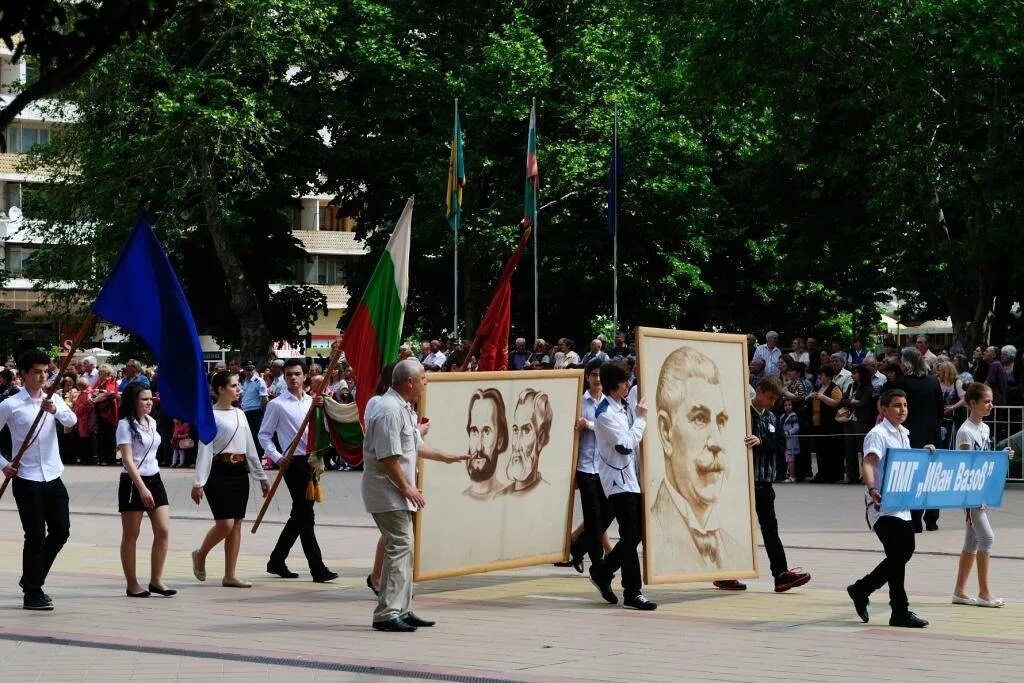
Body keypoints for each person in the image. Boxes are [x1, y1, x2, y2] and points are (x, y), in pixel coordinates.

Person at [361, 359, 469, 631]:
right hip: (388, 492)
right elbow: (387, 457)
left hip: (397, 491)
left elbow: (415, 445)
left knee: (404, 549)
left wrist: (448, 458)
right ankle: (386, 613)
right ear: (409, 382)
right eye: (423, 377)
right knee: (400, 546)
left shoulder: (404, 408)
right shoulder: (388, 410)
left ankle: (402, 608)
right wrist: (407, 488)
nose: (426, 382)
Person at [713, 377, 811, 592]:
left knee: (770, 528)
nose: (771, 402)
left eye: (775, 399)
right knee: (735, 529)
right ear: (758, 390)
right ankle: (725, 574)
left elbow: (780, 445)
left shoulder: (772, 418)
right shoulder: (740, 414)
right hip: (740, 482)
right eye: (769, 397)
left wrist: (762, 441)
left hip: (764, 482)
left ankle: (781, 574)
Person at [0, 349, 77, 610]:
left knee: (61, 530)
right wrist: (4, 465)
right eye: (36, 372)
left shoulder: (53, 398)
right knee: (34, 535)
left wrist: (54, 410)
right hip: (26, 477)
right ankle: (33, 592)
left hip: (53, 475)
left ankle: (31, 578)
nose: (42, 377)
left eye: (45, 372)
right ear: (22, 374)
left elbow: (72, 420)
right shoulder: (10, 405)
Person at [847, 389, 930, 628]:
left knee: (900, 554)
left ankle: (862, 589)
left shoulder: (903, 433)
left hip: (901, 504)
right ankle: (898, 610)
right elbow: (869, 462)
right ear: (882, 410)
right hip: (882, 506)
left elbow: (907, 464)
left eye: (904, 405)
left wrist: (927, 453)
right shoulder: (878, 434)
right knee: (901, 551)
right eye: (896, 405)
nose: (902, 409)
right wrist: (873, 489)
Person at [258, 359, 337, 583]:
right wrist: (277, 457)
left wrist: (323, 408)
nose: (293, 377)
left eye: (297, 374)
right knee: (305, 515)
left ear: (305, 377)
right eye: (289, 374)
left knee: (300, 515)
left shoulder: (313, 402)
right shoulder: (277, 404)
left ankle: (277, 560)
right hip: (293, 463)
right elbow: (264, 435)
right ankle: (317, 568)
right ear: (284, 377)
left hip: (312, 461)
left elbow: (325, 429)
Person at [191, 371, 270, 588]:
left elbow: (251, 448)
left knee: (236, 524)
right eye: (234, 385)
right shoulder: (210, 416)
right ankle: (201, 554)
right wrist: (199, 482)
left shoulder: (240, 414)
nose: (239, 389)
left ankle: (230, 575)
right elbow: (204, 450)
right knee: (225, 524)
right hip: (218, 472)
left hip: (239, 473)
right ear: (220, 390)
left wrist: (260, 476)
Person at [587, 362, 656, 610]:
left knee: (634, 534)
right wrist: (640, 420)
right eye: (624, 381)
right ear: (614, 385)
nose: (628, 385)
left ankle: (603, 571)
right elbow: (625, 444)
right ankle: (632, 591)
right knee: (630, 534)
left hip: (631, 478)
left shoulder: (623, 404)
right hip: (616, 480)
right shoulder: (604, 414)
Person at [951, 383, 1010, 608]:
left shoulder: (983, 429)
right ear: (972, 404)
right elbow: (967, 464)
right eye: (986, 401)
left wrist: (1000, 456)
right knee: (987, 538)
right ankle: (985, 592)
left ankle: (959, 591)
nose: (990, 405)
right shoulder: (965, 431)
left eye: (991, 400)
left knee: (972, 540)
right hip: (969, 491)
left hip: (980, 490)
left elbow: (984, 458)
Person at [116, 383, 175, 598]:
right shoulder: (125, 425)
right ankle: (132, 584)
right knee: (131, 534)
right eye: (144, 399)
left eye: (151, 398)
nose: (149, 402)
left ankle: (156, 580)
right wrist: (141, 488)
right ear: (133, 401)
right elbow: (127, 460)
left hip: (155, 478)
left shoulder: (151, 421)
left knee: (163, 529)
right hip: (133, 482)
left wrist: (150, 486)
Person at [562, 360, 614, 572]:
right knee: (593, 517)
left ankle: (578, 547)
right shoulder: (579, 402)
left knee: (608, 512)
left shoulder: (609, 404)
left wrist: (589, 425)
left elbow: (610, 432)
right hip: (585, 468)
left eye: (601, 375)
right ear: (587, 377)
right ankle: (598, 562)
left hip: (605, 468)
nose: (598, 379)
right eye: (593, 375)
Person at [895, 347, 944, 532]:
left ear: (906, 362)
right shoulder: (933, 382)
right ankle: (932, 519)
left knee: (914, 478)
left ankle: (915, 519)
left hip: (911, 436)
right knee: (932, 478)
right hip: (932, 434)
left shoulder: (903, 383)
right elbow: (940, 409)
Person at [497, 388, 552, 495]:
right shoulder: (499, 496)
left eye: (526, 430)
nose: (516, 446)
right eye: (516, 430)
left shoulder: (547, 493)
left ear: (541, 439)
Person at [462, 387, 509, 499]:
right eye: (474, 431)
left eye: (487, 431)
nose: (479, 447)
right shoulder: (456, 499)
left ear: (500, 440)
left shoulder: (508, 498)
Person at [807, 365, 843, 483]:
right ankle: (821, 473)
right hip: (818, 423)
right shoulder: (819, 387)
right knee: (820, 450)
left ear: (828, 377)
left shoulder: (834, 388)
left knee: (830, 450)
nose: (819, 377)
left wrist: (822, 397)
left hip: (830, 423)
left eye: (821, 375)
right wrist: (812, 396)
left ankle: (832, 474)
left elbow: (837, 403)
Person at [90, 364, 120, 465]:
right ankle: (102, 458)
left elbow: (110, 393)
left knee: (109, 436)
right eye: (99, 372)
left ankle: (109, 459)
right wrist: (91, 397)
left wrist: (96, 398)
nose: (99, 374)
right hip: (100, 412)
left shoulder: (111, 381)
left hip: (109, 413)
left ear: (107, 373)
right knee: (101, 436)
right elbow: (92, 390)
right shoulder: (99, 381)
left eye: (101, 372)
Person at [240, 361, 269, 458]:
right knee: (249, 436)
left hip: (256, 411)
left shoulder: (259, 381)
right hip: (246, 411)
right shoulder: (245, 381)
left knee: (257, 436)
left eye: (251, 370)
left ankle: (259, 457)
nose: (249, 372)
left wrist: (264, 413)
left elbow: (264, 398)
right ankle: (251, 457)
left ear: (254, 370)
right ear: (244, 371)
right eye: (247, 370)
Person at [781, 398, 800, 483]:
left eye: (789, 405)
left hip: (791, 440)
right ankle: (789, 474)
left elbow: (796, 428)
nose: (787, 407)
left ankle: (792, 476)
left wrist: (787, 433)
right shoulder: (782, 416)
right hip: (784, 440)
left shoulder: (793, 415)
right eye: (785, 405)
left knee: (790, 459)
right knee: (787, 459)